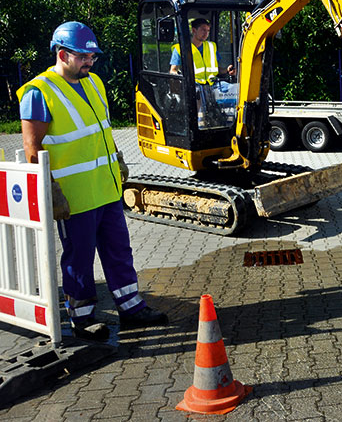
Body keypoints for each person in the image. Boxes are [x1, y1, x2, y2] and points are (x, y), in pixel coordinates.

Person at [17, 21, 168, 341]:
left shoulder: (95, 82)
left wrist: (117, 158)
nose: (90, 61)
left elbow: (102, 129)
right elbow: (33, 148)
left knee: (119, 251)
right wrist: (50, 190)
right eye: (84, 56)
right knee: (79, 258)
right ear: (62, 54)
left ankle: (131, 307)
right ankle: (82, 318)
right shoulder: (38, 92)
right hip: (74, 197)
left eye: (93, 56)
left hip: (106, 189)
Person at [169, 18, 235, 81]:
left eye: (208, 31)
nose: (206, 33)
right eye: (203, 30)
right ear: (194, 30)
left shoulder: (211, 46)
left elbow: (216, 70)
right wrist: (180, 78)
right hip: (193, 86)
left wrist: (227, 70)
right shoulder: (180, 48)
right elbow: (173, 70)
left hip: (213, 84)